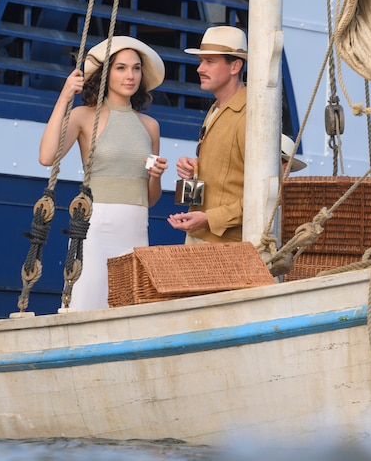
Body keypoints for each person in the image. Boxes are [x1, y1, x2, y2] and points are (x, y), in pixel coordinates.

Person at [39, 36, 166, 310]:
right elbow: (47, 157)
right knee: (84, 305)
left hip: (136, 229)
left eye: (135, 68)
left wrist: (156, 176)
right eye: (121, 68)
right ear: (106, 73)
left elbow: (151, 198)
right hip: (95, 228)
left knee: (129, 312)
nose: (130, 75)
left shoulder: (151, 126)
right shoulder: (84, 116)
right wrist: (64, 97)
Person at [167, 26, 249, 244]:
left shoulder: (251, 116)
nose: (200, 69)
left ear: (235, 66)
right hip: (202, 238)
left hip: (225, 246)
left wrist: (208, 219)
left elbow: (268, 194)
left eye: (210, 61)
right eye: (201, 61)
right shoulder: (217, 109)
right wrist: (195, 168)